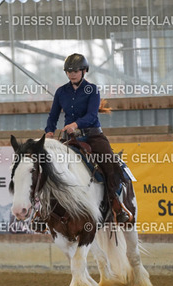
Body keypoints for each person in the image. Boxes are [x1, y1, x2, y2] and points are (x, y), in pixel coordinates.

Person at [45, 53, 132, 223]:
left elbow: (92, 115)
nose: (72, 74)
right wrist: (49, 131)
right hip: (70, 138)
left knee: (110, 163)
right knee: (50, 166)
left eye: (75, 71)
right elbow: (53, 116)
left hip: (93, 136)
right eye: (69, 71)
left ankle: (116, 204)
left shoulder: (92, 90)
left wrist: (75, 124)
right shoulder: (61, 92)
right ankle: (45, 211)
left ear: (84, 71)